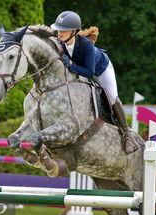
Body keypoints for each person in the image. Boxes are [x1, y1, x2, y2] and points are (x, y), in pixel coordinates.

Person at [51, 11, 140, 154]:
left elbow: (89, 72)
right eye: (59, 29)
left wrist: (71, 65)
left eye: (64, 30)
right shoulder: (60, 43)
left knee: (112, 97)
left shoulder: (87, 46)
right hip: (81, 69)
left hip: (101, 69)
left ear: (74, 32)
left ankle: (127, 134)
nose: (59, 33)